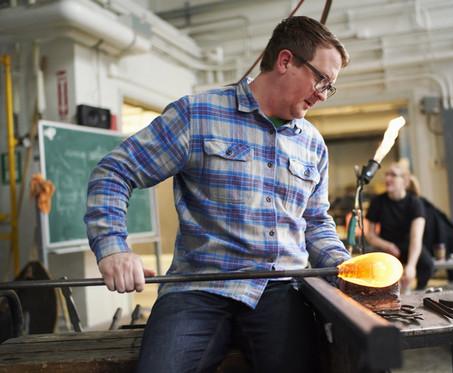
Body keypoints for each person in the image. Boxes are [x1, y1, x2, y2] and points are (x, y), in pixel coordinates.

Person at [84, 16, 350, 373]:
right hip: (199, 288)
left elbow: (315, 221)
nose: (322, 93)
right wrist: (113, 247)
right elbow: (114, 172)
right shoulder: (198, 115)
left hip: (280, 289)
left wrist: (344, 265)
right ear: (286, 61)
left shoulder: (313, 145)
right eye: (321, 79)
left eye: (329, 87)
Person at [364, 161, 434, 290]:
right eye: (387, 174)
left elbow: (416, 239)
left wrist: (411, 266)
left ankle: (419, 294)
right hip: (385, 245)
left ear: (405, 181)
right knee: (375, 269)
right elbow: (370, 235)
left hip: (408, 246)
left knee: (427, 265)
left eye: (393, 175)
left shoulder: (415, 203)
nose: (387, 178)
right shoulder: (378, 201)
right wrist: (387, 245)